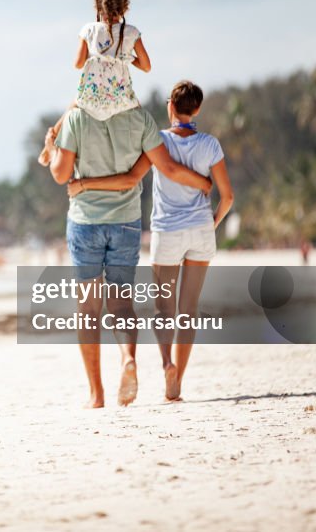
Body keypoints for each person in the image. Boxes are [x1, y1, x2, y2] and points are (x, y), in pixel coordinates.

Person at [68, 81, 233, 401]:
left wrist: (84, 184)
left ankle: (166, 362)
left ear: (171, 106)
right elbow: (227, 196)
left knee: (164, 309)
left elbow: (131, 178)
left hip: (167, 232)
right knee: (189, 309)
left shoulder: (157, 141)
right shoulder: (210, 144)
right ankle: (176, 382)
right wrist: (211, 223)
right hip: (200, 230)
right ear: (197, 109)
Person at [43, 102, 212, 408]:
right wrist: (204, 182)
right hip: (125, 223)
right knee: (121, 304)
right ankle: (127, 359)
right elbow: (168, 168)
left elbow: (59, 174)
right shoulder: (140, 119)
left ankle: (96, 394)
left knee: (88, 309)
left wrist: (51, 147)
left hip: (85, 222)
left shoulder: (76, 117)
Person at [39, 0, 151, 166]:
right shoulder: (131, 32)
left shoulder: (89, 30)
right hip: (121, 100)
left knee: (73, 106)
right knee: (141, 113)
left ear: (99, 7)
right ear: (124, 8)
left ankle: (49, 146)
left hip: (90, 100)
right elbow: (146, 67)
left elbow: (78, 64)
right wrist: (127, 57)